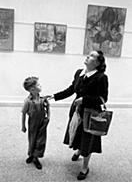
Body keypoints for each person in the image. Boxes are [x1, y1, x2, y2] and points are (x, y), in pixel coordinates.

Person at [48, 50, 108, 180]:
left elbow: (103, 98)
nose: (88, 56)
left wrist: (85, 100)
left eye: (92, 56)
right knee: (76, 133)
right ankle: (79, 151)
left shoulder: (101, 77)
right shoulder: (78, 73)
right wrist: (54, 96)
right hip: (76, 111)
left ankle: (85, 167)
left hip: (90, 113)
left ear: (97, 62)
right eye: (89, 54)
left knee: (87, 139)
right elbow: (71, 89)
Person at [21, 76, 50, 170]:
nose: (40, 85)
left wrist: (48, 118)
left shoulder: (43, 99)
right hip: (33, 123)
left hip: (42, 122)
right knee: (32, 139)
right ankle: (31, 155)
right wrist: (23, 126)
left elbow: (48, 108)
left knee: (41, 140)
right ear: (33, 89)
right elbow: (24, 113)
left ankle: (36, 157)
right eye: (38, 84)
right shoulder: (28, 101)